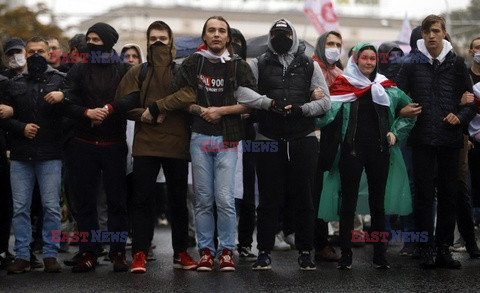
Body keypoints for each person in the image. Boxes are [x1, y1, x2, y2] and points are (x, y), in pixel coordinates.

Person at [142, 16, 258, 272]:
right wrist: (198, 108)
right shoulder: (194, 62)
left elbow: (253, 102)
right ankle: (206, 252)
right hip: (200, 137)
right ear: (204, 36)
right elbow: (177, 94)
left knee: (225, 199)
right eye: (211, 31)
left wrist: (221, 111)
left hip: (228, 138)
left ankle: (226, 251)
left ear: (228, 37)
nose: (217, 35)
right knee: (203, 199)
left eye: (221, 31)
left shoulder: (240, 66)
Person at [237, 18, 331, 271]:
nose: (281, 38)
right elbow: (243, 93)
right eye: (276, 33)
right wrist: (269, 104)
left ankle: (305, 251)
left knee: (305, 199)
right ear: (270, 36)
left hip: (304, 139)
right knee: (268, 199)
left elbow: (326, 103)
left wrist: (301, 109)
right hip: (267, 139)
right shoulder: (258, 63)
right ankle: (264, 251)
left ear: (294, 36)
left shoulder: (310, 64)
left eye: (285, 34)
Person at [316, 42, 415, 270]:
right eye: (364, 58)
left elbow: (412, 111)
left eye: (372, 58)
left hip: (380, 153)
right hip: (351, 153)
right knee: (348, 204)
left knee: (377, 206)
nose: (369, 62)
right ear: (356, 60)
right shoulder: (343, 85)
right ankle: (346, 256)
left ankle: (380, 256)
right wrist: (314, 102)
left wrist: (395, 132)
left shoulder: (387, 87)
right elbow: (323, 116)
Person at [110, 20, 197, 274]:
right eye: (153, 38)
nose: (158, 42)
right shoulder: (138, 71)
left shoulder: (182, 70)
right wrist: (144, 115)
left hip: (177, 142)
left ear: (171, 41)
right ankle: (139, 252)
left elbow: (189, 94)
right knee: (141, 201)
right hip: (146, 143)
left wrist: (158, 107)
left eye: (163, 38)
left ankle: (181, 252)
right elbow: (122, 103)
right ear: (147, 41)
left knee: (178, 202)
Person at [396, 15, 476, 269]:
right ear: (421, 34)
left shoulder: (457, 64)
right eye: (426, 31)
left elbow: (471, 101)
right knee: (422, 196)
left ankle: (444, 249)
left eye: (435, 31)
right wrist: (403, 110)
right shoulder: (410, 63)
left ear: (443, 33)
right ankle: (425, 249)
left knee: (449, 196)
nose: (431, 36)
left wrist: (460, 116)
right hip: (420, 139)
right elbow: (396, 95)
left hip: (450, 139)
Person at [51, 22, 131, 273]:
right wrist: (86, 112)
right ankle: (88, 252)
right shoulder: (79, 69)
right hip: (82, 144)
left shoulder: (124, 68)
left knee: (116, 201)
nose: (92, 43)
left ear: (109, 41)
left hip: (114, 144)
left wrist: (109, 109)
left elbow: (135, 96)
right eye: (89, 39)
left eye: (97, 39)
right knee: (84, 201)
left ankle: (118, 252)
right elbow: (66, 100)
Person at [1, 37, 65, 274]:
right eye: (31, 51)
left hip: (50, 154)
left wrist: (63, 98)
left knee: (51, 207)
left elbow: (70, 113)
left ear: (49, 54)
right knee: (20, 208)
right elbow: (4, 117)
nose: (36, 54)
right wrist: (21, 127)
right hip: (21, 155)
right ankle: (22, 255)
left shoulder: (60, 81)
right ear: (25, 55)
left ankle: (50, 254)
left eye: (41, 51)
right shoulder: (13, 83)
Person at [311, 30, 343, 262]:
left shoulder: (341, 74)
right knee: (313, 192)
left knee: (327, 192)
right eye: (329, 43)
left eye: (337, 44)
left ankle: (323, 240)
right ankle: (315, 243)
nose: (333, 47)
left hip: (334, 140)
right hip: (311, 137)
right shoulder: (309, 68)